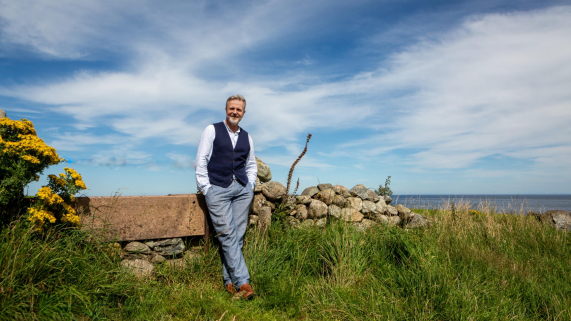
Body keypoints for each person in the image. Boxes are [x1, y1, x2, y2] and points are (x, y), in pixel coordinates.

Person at [194, 94, 257, 299]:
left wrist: (250, 185)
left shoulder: (247, 136)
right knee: (228, 234)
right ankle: (243, 282)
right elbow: (201, 160)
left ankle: (229, 281)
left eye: (239, 109)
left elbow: (251, 164)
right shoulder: (212, 130)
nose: (235, 112)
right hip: (217, 189)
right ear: (225, 109)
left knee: (237, 236)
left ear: (244, 113)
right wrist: (206, 188)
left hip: (242, 190)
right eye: (231, 108)